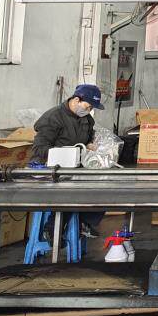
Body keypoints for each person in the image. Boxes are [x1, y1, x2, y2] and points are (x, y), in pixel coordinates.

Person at [29, 84, 106, 237]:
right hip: (50, 169)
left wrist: (90, 146)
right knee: (71, 191)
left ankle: (84, 222)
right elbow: (39, 149)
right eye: (88, 106)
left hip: (74, 167)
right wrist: (67, 154)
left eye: (91, 108)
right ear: (77, 100)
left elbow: (88, 140)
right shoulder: (53, 117)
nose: (89, 110)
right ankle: (52, 228)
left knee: (106, 184)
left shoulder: (86, 120)